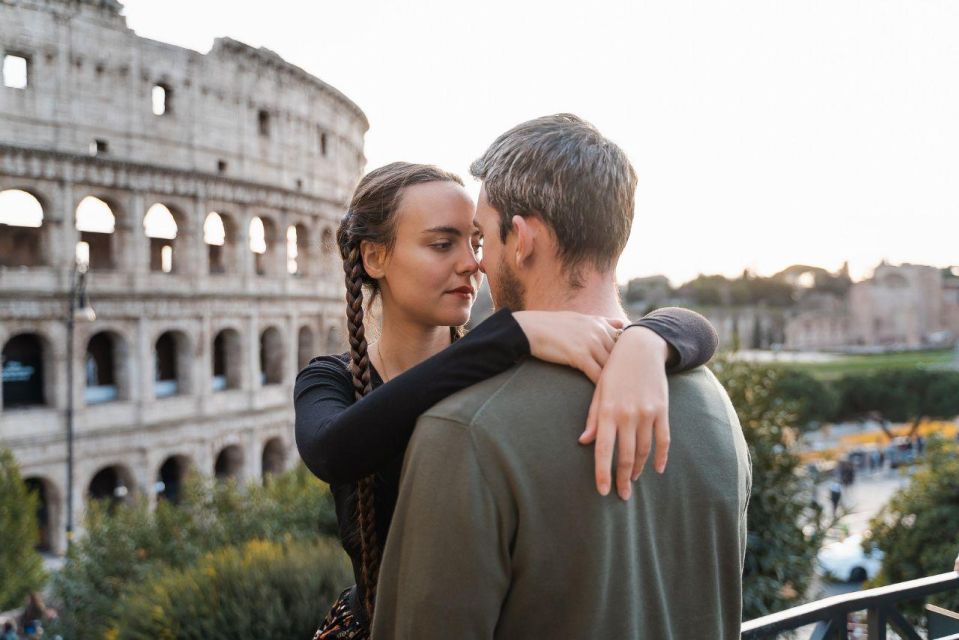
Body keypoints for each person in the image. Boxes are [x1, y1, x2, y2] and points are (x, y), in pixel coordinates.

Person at [294, 162, 719, 638]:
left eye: (475, 242)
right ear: (375, 257)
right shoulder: (331, 378)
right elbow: (333, 449)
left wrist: (648, 340)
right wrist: (508, 334)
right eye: (442, 244)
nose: (472, 263)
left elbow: (697, 328)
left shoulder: (498, 359)